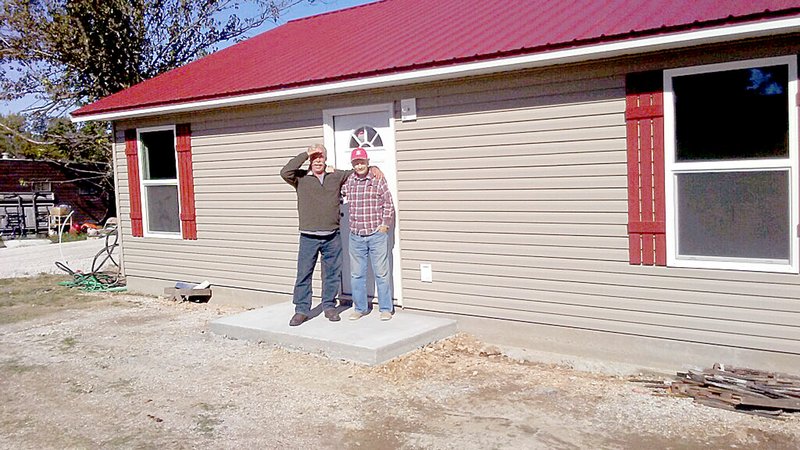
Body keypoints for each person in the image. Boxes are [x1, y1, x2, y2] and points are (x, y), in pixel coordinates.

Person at [280, 144, 381, 326]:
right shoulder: (300, 178)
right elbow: (285, 171)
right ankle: (302, 310)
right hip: (308, 236)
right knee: (304, 274)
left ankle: (329, 306)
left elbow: (356, 171)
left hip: (331, 236)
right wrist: (305, 153)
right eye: (314, 157)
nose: (318, 160)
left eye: (321, 157)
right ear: (310, 160)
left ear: (325, 159)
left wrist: (373, 167)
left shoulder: (335, 176)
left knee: (332, 274)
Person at [342, 147, 395, 321]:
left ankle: (386, 308)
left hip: (376, 234)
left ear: (367, 162)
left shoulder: (377, 179)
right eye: (356, 163)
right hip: (356, 235)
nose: (359, 166)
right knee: (357, 275)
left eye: (362, 162)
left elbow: (388, 203)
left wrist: (385, 225)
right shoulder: (349, 182)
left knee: (382, 273)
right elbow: (338, 193)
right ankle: (360, 308)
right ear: (352, 165)